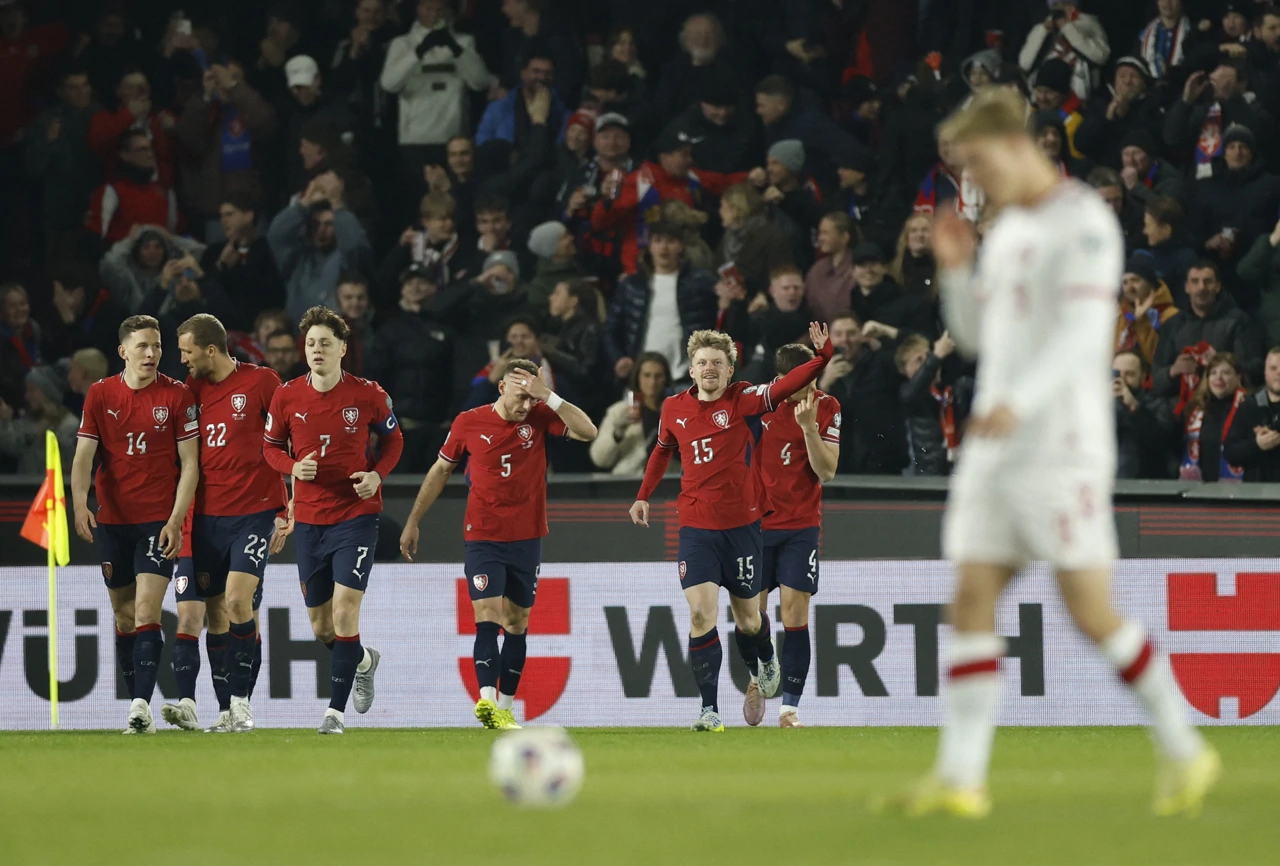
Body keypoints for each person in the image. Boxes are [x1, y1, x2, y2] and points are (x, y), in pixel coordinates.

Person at [881, 88, 1217, 818]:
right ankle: (962, 779)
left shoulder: (1084, 224)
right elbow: (975, 336)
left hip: (1058, 446)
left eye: (975, 164)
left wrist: (1020, 401)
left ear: (1010, 145)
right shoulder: (1006, 233)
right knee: (969, 597)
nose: (972, 182)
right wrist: (960, 271)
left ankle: (1187, 751)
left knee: (1088, 609)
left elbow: (1079, 337)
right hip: (996, 449)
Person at [629, 324, 833, 732]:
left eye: (717, 363)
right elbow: (661, 450)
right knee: (701, 615)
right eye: (702, 363)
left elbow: (787, 384)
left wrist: (823, 358)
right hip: (696, 527)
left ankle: (766, 656)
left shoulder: (743, 400)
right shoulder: (673, 408)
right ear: (690, 370)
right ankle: (709, 710)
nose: (709, 369)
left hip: (742, 527)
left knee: (750, 621)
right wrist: (642, 494)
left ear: (729, 370)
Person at [399, 358, 597, 729]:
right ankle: (486, 699)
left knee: (517, 622)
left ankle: (505, 708)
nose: (524, 406)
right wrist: (413, 520)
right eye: (520, 397)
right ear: (502, 387)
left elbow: (588, 432)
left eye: (530, 398)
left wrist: (548, 397)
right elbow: (440, 470)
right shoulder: (468, 422)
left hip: (527, 537)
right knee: (487, 614)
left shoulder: (539, 416)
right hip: (483, 535)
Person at [262, 306, 402, 734]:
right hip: (309, 520)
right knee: (322, 626)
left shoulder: (368, 394)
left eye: (325, 342)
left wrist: (377, 474)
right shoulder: (286, 396)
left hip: (355, 517)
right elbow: (269, 447)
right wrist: (290, 467)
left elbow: (394, 439)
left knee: (344, 614)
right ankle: (363, 659)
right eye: (310, 343)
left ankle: (334, 715)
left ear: (343, 348)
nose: (316, 349)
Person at [70, 315, 200, 734]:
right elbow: (84, 457)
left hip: (156, 523)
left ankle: (140, 706)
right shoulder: (100, 393)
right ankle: (137, 701)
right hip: (113, 522)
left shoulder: (176, 396)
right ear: (123, 351)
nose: (152, 353)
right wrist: (79, 504)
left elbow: (190, 465)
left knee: (146, 610)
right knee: (124, 616)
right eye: (143, 346)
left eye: (157, 346)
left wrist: (177, 520)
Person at [168, 314, 289, 733]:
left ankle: (241, 704)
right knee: (215, 616)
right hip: (204, 519)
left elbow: (288, 440)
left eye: (186, 351)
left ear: (210, 349)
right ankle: (223, 710)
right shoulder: (190, 392)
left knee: (239, 602)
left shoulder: (263, 383)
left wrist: (288, 508)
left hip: (253, 514)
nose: (181, 358)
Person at [752, 343, 840, 728]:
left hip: (799, 526)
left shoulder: (827, 407)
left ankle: (790, 709)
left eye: (811, 383)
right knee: (751, 617)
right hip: (755, 525)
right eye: (798, 385)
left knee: (795, 613)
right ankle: (760, 672)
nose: (805, 393)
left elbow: (827, 472)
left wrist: (808, 430)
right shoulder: (758, 404)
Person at [603, 221, 717, 383]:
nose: (664, 248)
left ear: (681, 246)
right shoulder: (631, 286)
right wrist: (618, 358)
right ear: (650, 246)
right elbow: (610, 329)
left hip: (685, 376)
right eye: (658, 241)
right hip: (643, 377)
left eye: (671, 241)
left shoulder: (701, 282)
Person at [368, 263, 454, 472]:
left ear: (433, 288)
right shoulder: (389, 330)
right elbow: (376, 380)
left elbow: (454, 376)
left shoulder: (447, 328)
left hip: (437, 428)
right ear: (402, 290)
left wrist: (452, 416)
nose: (415, 287)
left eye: (422, 282)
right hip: (400, 428)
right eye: (410, 283)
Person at [267, 172, 372, 323]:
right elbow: (276, 236)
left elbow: (354, 245)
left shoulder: (346, 259)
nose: (322, 230)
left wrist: (337, 204)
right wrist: (304, 203)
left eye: (329, 224)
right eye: (316, 224)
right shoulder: (298, 259)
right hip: (300, 339)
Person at [1152, 261, 1264, 399]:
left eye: (1208, 281)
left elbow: (1255, 369)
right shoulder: (1172, 325)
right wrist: (1173, 370)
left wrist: (1221, 364)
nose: (1201, 287)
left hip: (1227, 402)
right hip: (1181, 405)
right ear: (1186, 287)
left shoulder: (1238, 321)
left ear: (1218, 287)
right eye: (1195, 281)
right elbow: (1154, 379)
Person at [200, 193, 284, 331]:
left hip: (261, 328)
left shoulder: (267, 249)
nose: (223, 221)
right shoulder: (213, 252)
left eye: (229, 215)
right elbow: (206, 292)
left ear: (249, 216)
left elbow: (271, 292)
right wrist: (222, 266)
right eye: (221, 216)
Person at [897, 332, 972, 476]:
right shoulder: (908, 393)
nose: (928, 363)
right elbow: (914, 391)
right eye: (919, 360)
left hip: (962, 473)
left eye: (928, 356)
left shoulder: (957, 389)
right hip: (928, 475)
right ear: (905, 370)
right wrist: (936, 356)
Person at [87, 129, 179, 244]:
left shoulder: (165, 191)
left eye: (150, 149)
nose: (150, 155)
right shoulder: (112, 191)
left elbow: (172, 233)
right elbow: (95, 238)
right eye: (142, 150)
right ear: (125, 155)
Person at [590, 352, 672, 474]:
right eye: (647, 375)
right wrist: (616, 435)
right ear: (638, 377)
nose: (652, 382)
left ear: (666, 378)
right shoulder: (619, 411)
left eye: (658, 376)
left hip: (667, 483)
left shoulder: (677, 411)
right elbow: (599, 459)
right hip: (628, 484)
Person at [1177, 353, 1247, 481]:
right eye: (1213, 373)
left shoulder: (1249, 408)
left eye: (1226, 372)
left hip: (1239, 493)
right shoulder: (1193, 409)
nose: (1218, 378)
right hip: (1200, 492)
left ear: (1238, 377)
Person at [1113, 349, 1175, 480]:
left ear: (1143, 376)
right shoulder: (1097, 405)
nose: (1122, 380)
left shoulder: (1158, 404)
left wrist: (1134, 406)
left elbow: (1160, 442)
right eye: (1117, 373)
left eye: (1129, 374)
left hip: (1146, 486)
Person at [1224, 346, 1280, 482]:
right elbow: (1230, 453)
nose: (1279, 372)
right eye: (1273, 368)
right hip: (1256, 496)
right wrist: (1256, 445)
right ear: (1265, 373)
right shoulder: (1248, 407)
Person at [1115, 253, 1179, 367]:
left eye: (1135, 280)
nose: (1130, 287)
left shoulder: (1170, 315)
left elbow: (1156, 360)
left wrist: (1140, 322)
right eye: (1125, 282)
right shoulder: (1123, 315)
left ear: (1150, 283)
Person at [805, 212, 858, 325]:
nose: (820, 238)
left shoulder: (858, 269)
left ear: (844, 237)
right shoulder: (816, 270)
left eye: (825, 233)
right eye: (820, 233)